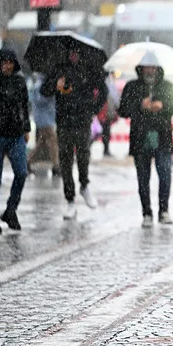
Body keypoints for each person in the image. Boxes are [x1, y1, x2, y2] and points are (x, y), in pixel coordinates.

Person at [118, 52, 173, 227]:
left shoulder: (167, 87)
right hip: (140, 138)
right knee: (143, 178)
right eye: (147, 67)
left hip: (162, 137)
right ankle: (146, 213)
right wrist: (140, 106)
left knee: (165, 176)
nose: (150, 71)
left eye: (153, 67)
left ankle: (164, 211)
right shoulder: (132, 87)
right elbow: (123, 110)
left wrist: (163, 106)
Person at [41, 49, 108, 219]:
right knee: (66, 159)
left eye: (77, 52)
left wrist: (92, 109)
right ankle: (70, 199)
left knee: (84, 154)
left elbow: (103, 91)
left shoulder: (90, 69)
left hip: (83, 120)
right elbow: (44, 90)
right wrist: (55, 85)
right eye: (71, 52)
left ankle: (84, 185)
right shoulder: (59, 69)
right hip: (64, 121)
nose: (74, 55)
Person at [0, 50, 31, 233]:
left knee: (21, 173)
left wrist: (26, 128)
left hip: (16, 135)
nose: (7, 66)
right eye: (3, 63)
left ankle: (11, 210)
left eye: (10, 63)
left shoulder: (20, 81)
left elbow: (24, 105)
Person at [27, 72, 60, 177]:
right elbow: (39, 100)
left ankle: (27, 161)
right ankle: (56, 166)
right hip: (43, 119)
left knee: (42, 143)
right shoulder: (39, 85)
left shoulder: (46, 85)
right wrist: (51, 94)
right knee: (53, 141)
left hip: (47, 118)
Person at [97, 73, 120, 158]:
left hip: (105, 112)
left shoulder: (108, 84)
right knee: (105, 130)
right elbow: (115, 98)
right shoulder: (109, 85)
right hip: (104, 111)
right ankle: (105, 149)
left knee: (104, 130)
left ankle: (105, 149)